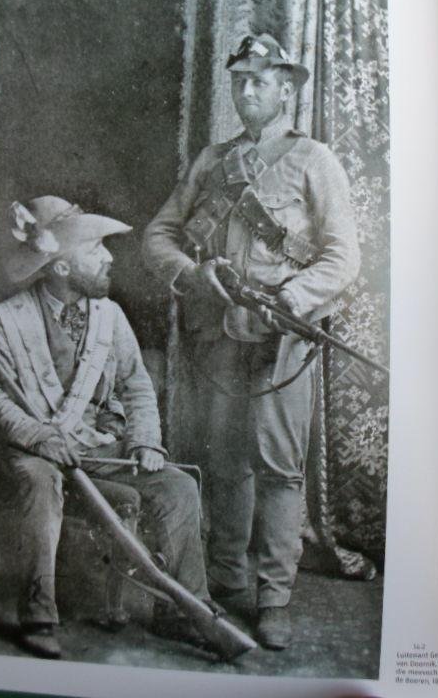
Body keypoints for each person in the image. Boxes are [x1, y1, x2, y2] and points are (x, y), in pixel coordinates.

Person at [142, 33, 360, 649]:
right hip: (218, 333)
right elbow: (158, 237)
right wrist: (193, 276)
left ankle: (274, 597)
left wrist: (293, 297)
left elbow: (343, 256)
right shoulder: (212, 161)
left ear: (286, 89)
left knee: (279, 468)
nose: (246, 91)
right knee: (224, 460)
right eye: (239, 81)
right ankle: (228, 579)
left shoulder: (313, 159)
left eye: (259, 81)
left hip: (280, 340)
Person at [0, 195, 211, 659]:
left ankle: (185, 614)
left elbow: (136, 386)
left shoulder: (111, 317)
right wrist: (38, 436)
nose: (108, 257)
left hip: (96, 449)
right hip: (34, 449)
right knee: (39, 481)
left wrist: (145, 441)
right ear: (61, 266)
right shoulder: (7, 320)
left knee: (179, 486)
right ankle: (38, 615)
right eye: (94, 248)